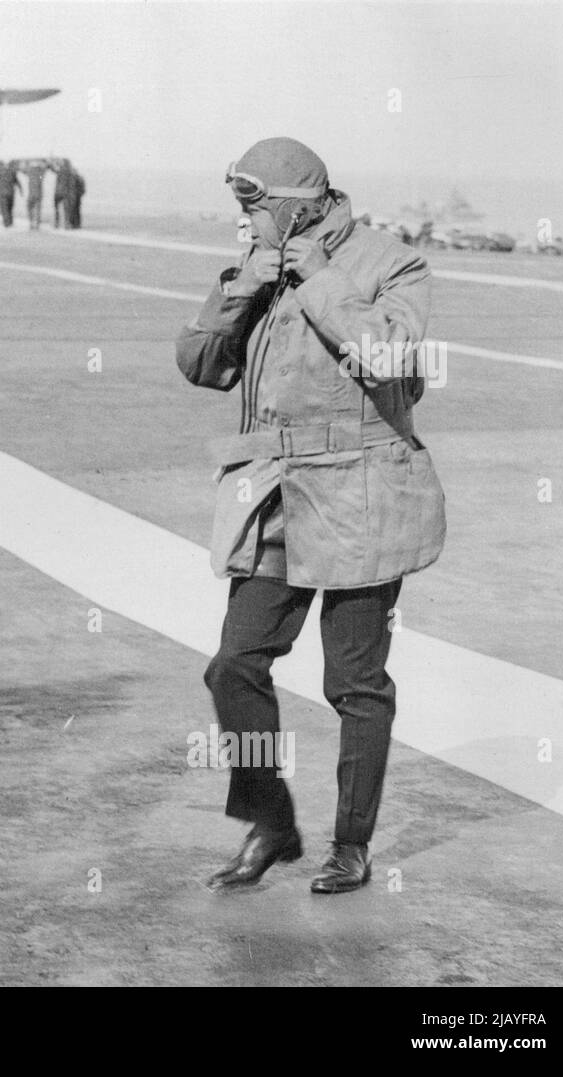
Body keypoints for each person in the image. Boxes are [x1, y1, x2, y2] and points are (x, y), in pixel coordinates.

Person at [174, 137, 446, 895]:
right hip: (277, 493)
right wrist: (237, 291)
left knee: (355, 683)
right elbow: (200, 366)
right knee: (235, 663)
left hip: (364, 496)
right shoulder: (260, 265)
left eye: (253, 208)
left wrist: (320, 281)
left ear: (296, 206)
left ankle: (350, 844)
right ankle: (272, 822)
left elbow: (389, 354)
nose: (244, 221)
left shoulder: (390, 262)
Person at [0, 161, 22, 228]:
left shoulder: (0, 172)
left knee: (4, 208)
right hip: (11, 193)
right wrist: (21, 191)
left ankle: (6, 223)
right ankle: (10, 222)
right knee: (10, 208)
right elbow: (18, 182)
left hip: (2, 193)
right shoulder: (12, 172)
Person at [24, 160, 46, 230]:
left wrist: (26, 162)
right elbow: (45, 169)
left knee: (30, 209)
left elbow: (23, 169)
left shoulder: (30, 172)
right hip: (38, 195)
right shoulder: (40, 173)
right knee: (37, 210)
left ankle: (31, 223)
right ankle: (37, 225)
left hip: (31, 194)